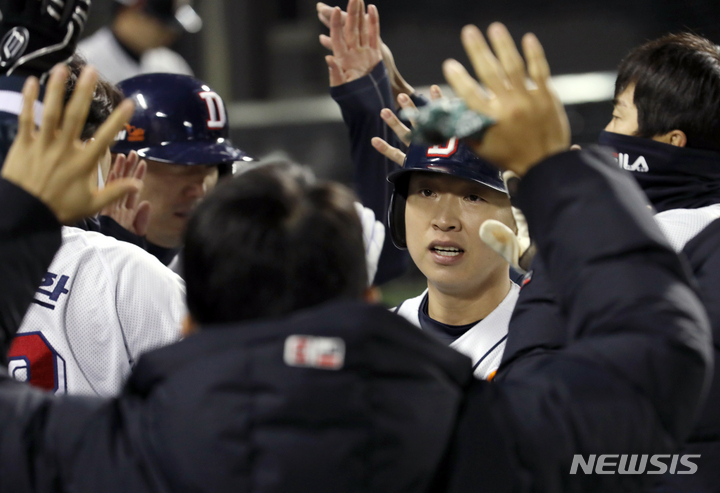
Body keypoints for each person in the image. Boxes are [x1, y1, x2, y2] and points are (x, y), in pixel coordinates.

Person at [0, 24, 712, 493]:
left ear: (190, 322)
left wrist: (25, 218)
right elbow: (661, 352)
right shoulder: (485, 440)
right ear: (366, 300)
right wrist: (557, 168)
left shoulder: (121, 451)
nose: (446, 214)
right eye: (425, 194)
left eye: (464, 192)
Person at [495, 32, 720, 492]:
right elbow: (531, 377)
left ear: (670, 140)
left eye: (619, 117)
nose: (607, 134)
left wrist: (572, 228)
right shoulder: (612, 226)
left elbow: (645, 400)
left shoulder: (706, 238)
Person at [320, 1, 519, 379]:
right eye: (426, 193)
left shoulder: (552, 335)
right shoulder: (376, 342)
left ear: (517, 215)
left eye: (472, 196)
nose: (444, 220)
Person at [77, 0, 201, 84]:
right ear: (132, 7)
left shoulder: (172, 64)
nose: (169, 33)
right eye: (161, 22)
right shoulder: (82, 61)